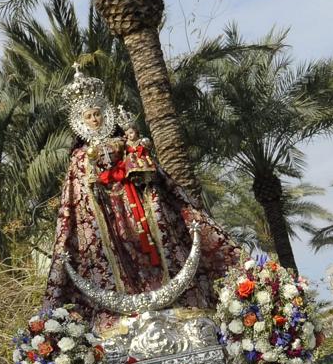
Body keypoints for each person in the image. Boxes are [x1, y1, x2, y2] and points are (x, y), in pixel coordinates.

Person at [42, 67, 240, 323]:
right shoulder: (79, 159)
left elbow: (150, 173)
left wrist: (133, 156)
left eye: (97, 114)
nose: (94, 120)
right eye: (88, 116)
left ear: (105, 114)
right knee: (117, 253)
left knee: (156, 248)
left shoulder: (127, 144)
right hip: (107, 220)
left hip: (139, 210)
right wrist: (98, 178)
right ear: (80, 121)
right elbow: (78, 201)